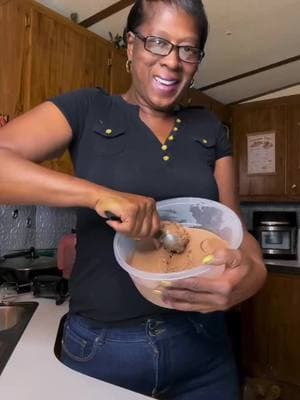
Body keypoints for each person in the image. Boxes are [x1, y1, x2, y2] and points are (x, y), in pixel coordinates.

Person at [0, 0, 266, 399]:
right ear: (131, 45)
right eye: (158, 42)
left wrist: (255, 275)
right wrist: (100, 195)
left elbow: (233, 227)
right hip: (104, 349)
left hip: (203, 348)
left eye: (187, 49)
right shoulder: (89, 108)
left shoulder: (209, 127)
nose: (172, 62)